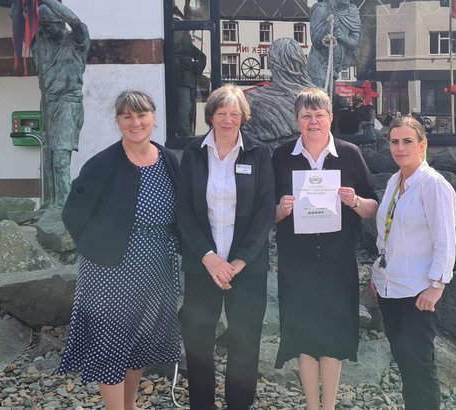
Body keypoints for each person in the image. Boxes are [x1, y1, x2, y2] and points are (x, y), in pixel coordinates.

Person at [58, 90, 181, 410]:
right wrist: (98, 250)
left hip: (156, 266)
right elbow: (72, 215)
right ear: (118, 121)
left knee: (139, 342)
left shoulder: (168, 158)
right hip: (110, 269)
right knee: (110, 344)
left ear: (154, 117)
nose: (135, 122)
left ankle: (129, 405)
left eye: (141, 115)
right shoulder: (102, 164)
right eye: (127, 116)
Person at [273, 87, 378, 410]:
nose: (313, 121)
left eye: (319, 115)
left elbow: (373, 207)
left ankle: (328, 406)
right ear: (297, 120)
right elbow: (264, 212)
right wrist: (281, 209)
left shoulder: (349, 154)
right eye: (306, 116)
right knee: (304, 336)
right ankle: (311, 405)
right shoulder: (280, 157)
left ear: (331, 118)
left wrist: (355, 201)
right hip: (297, 261)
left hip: (336, 260)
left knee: (333, 335)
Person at [176, 85, 275, 410]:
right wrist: (209, 258)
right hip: (202, 266)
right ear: (211, 115)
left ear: (243, 117)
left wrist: (239, 261)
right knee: (198, 343)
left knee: (245, 343)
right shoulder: (193, 153)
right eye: (222, 112)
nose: (228, 119)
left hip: (246, 269)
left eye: (234, 113)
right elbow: (184, 211)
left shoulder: (258, 154)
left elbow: (264, 212)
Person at [371, 116, 456, 410]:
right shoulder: (395, 181)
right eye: (394, 142)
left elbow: (445, 240)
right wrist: (377, 271)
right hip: (390, 288)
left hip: (418, 292)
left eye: (407, 141)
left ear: (422, 145)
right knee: (406, 366)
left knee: (420, 367)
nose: (400, 147)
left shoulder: (433, 186)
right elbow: (388, 231)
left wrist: (437, 286)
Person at [32, 0, 90, 208]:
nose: (44, 31)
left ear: (60, 23)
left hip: (68, 103)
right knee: (47, 156)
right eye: (42, 26)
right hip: (47, 103)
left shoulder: (76, 41)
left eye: (49, 26)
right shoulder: (40, 43)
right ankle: (50, 205)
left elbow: (75, 22)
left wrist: (48, 1)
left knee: (60, 159)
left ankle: (63, 210)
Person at [243, 37, 314, 145]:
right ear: (301, 61)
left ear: (272, 63)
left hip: (268, 158)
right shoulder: (317, 97)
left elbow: (245, 137)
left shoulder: (253, 99)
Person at [307, 0, 361, 90]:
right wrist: (328, 27)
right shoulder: (322, 8)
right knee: (319, 96)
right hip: (319, 63)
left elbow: (354, 42)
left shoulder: (352, 11)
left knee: (328, 97)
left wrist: (342, 36)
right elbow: (315, 41)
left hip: (335, 67)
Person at [174, 0, 207, 137]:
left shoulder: (183, 28)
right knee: (185, 103)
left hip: (187, 74)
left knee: (189, 104)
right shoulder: (178, 26)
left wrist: (196, 65)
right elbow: (176, 46)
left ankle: (187, 129)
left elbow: (194, 52)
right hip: (180, 73)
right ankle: (184, 129)